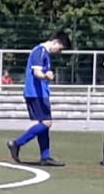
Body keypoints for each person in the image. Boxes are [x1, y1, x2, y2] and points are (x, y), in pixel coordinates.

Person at [7, 32, 71, 167]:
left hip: (41, 93)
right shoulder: (39, 51)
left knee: (44, 124)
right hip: (35, 93)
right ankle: (17, 143)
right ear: (56, 42)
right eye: (60, 49)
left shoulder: (45, 53)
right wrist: (46, 76)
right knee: (47, 123)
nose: (59, 52)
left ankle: (45, 157)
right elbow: (37, 73)